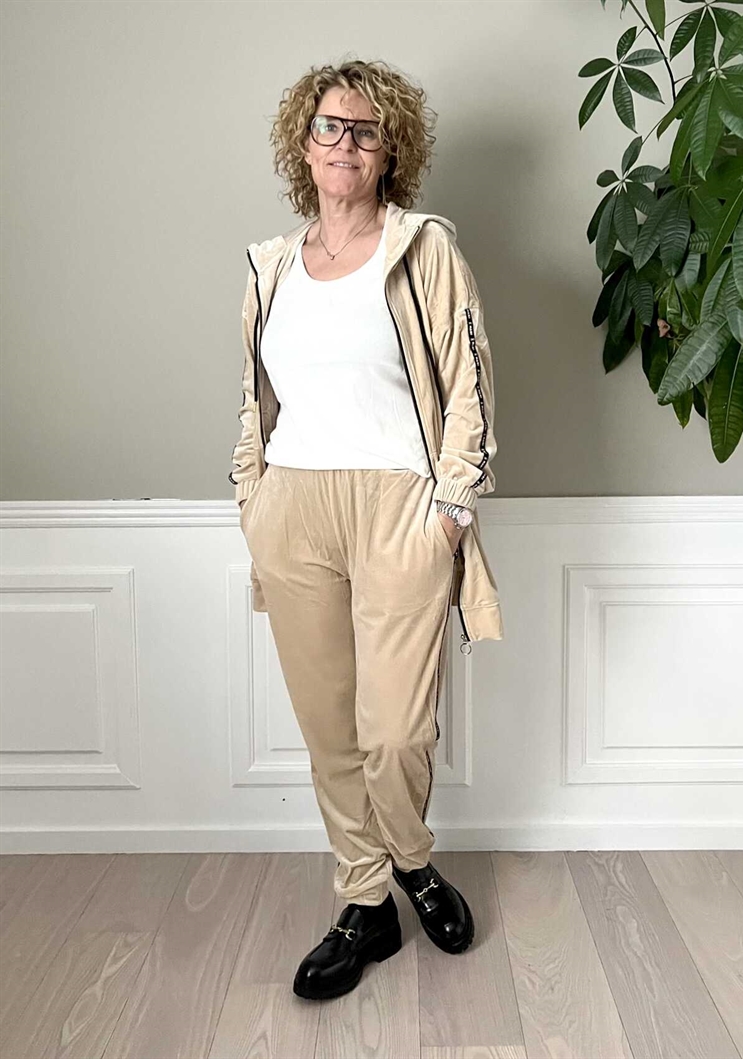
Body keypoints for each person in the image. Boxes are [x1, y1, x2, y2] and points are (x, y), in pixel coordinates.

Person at [230, 59, 503, 1000]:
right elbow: (254, 400)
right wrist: (253, 501)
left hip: (400, 509)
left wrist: (451, 510)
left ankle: (413, 861)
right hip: (293, 509)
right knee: (330, 730)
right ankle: (365, 902)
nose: (345, 143)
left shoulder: (424, 250)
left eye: (366, 130)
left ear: (392, 152)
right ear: (302, 144)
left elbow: (468, 384)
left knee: (395, 732)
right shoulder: (270, 266)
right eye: (329, 127)